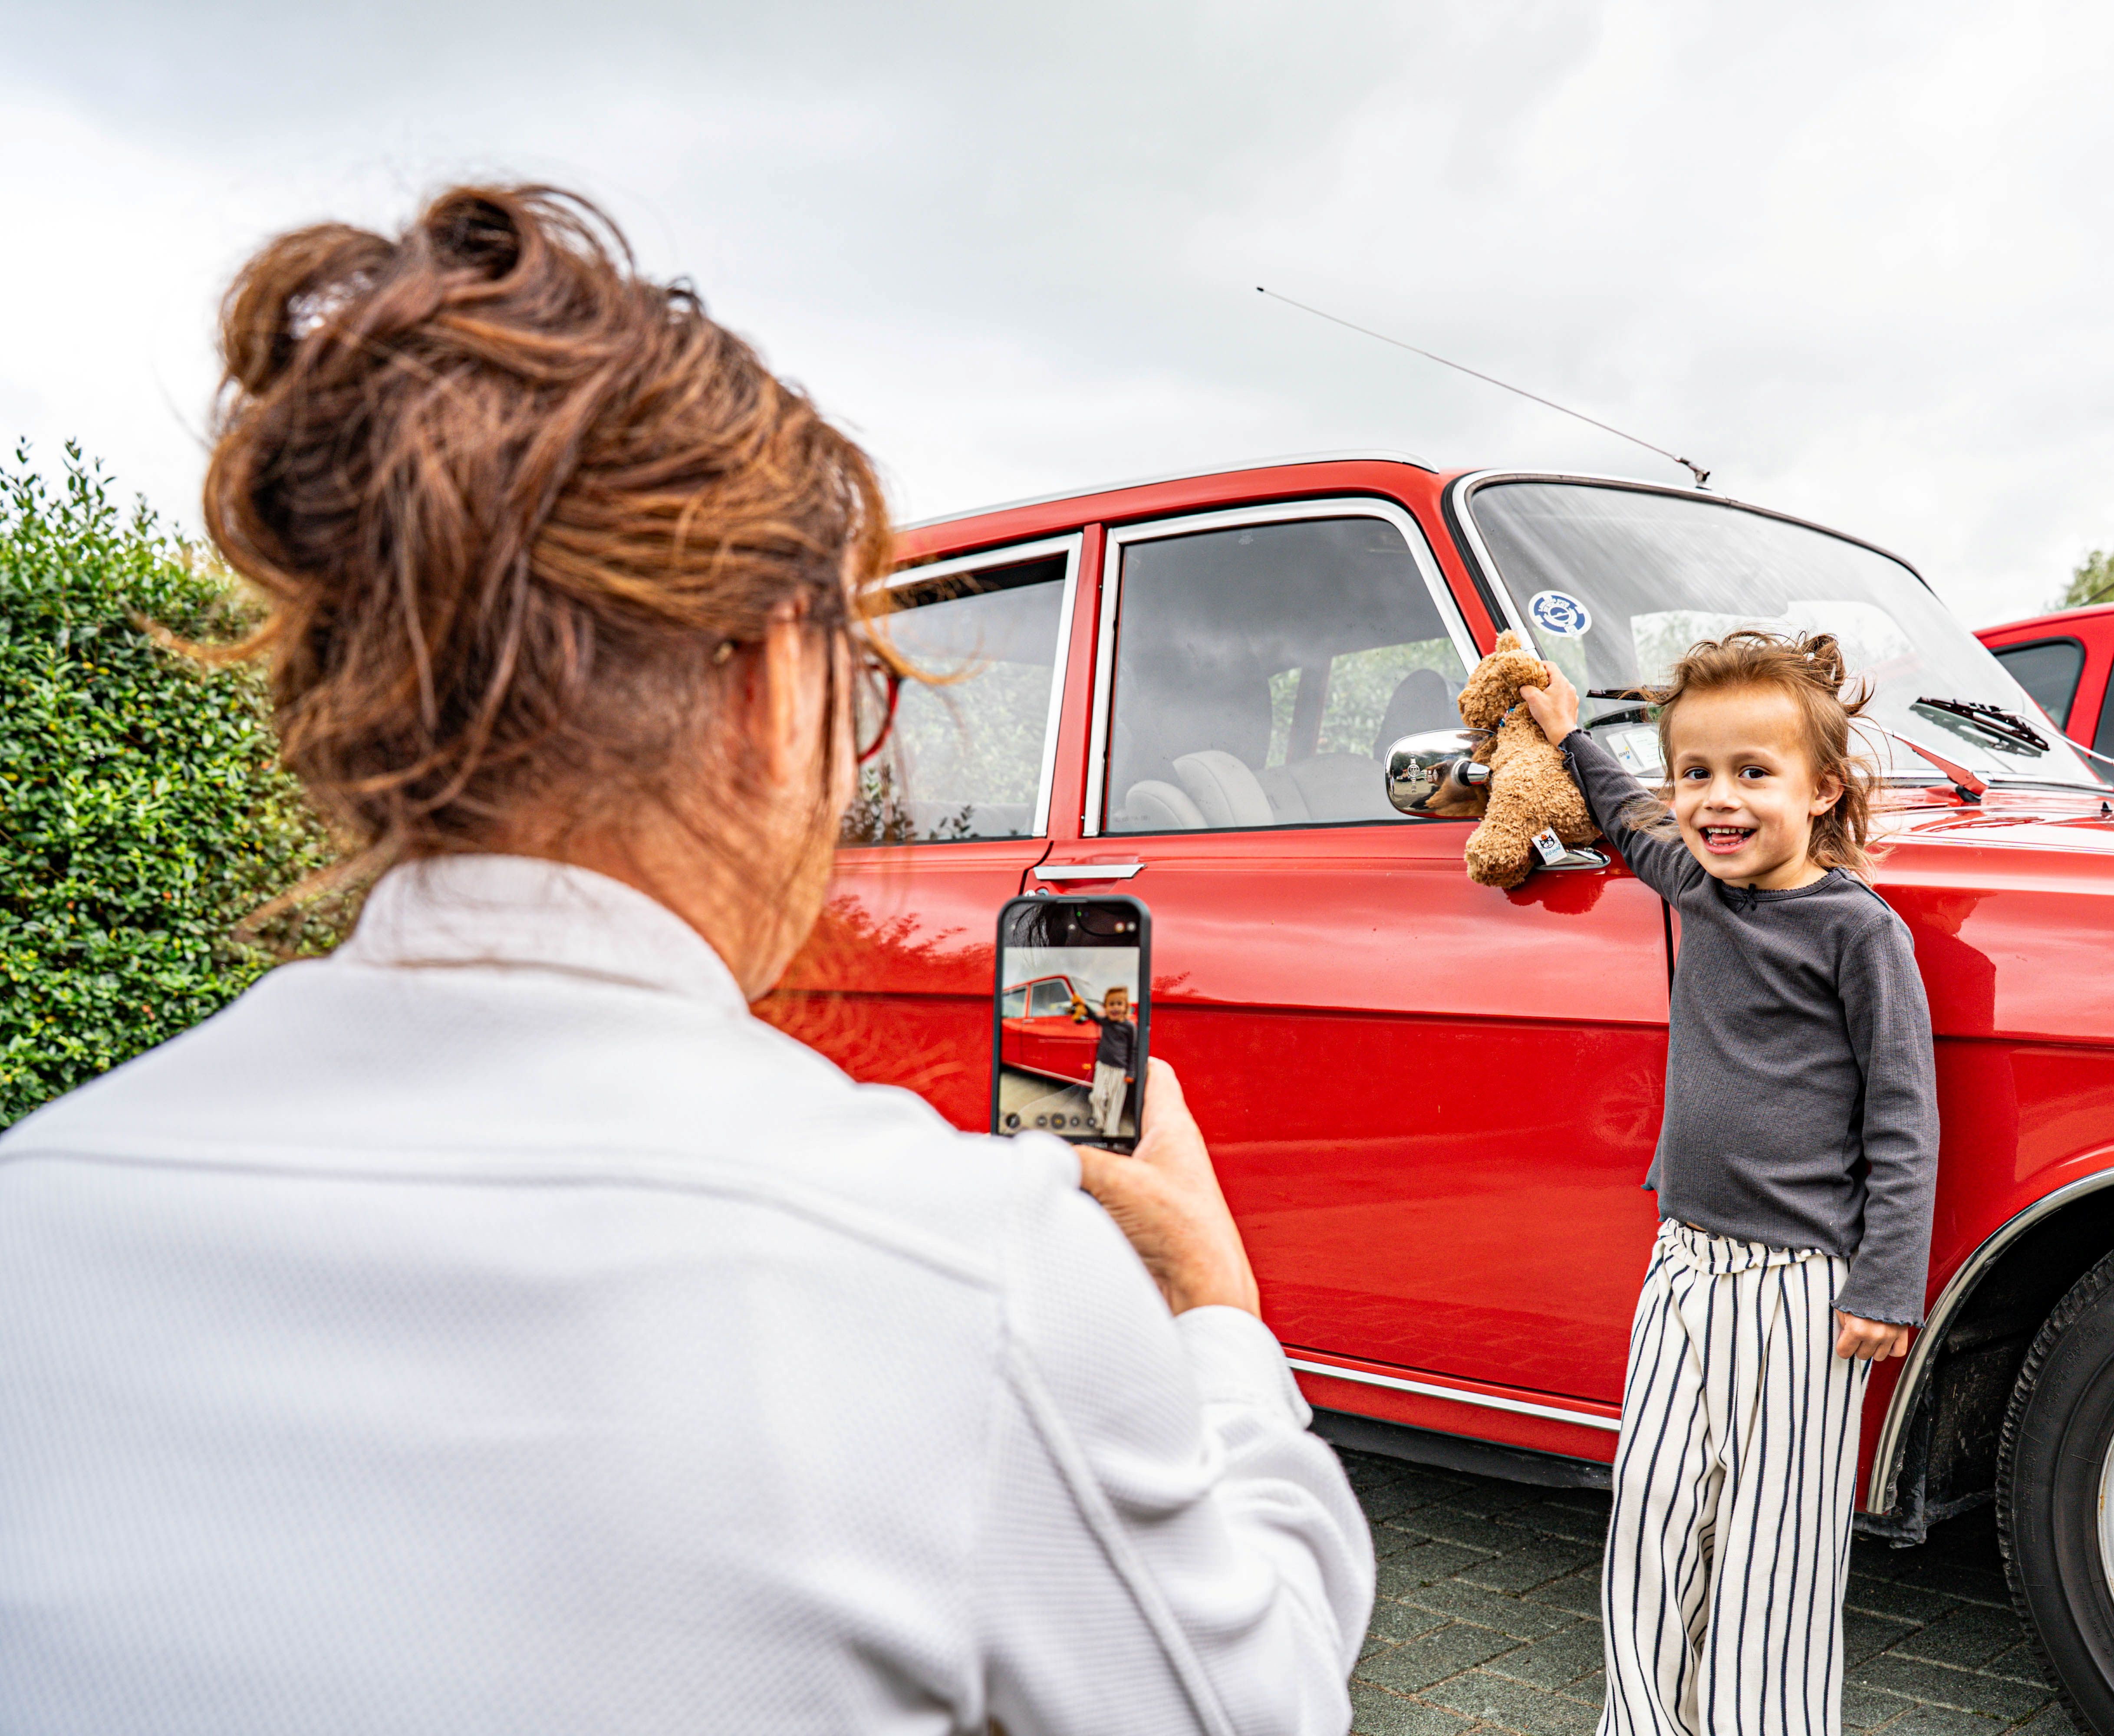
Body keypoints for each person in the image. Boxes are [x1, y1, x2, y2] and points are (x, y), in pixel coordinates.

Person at [0, 186, 1370, 1734]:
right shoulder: (976, 1282)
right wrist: (1214, 1309)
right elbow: (1260, 1705)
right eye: (863, 692)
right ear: (780, 683)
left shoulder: (38, 1206)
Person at [1521, 633, 1938, 1736]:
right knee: (1652, 1507)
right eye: (1695, 772)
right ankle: (1643, 1721)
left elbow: (1903, 1116)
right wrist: (1569, 733)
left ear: (1822, 789)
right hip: (1683, 1264)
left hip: (1805, 1289)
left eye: (1754, 772)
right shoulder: (1697, 887)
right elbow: (1626, 817)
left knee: (1774, 1544)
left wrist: (1887, 1283)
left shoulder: (1860, 931)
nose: (1718, 798)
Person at [1072, 985, 1139, 1137]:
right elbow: (1092, 1014)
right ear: (1106, 1007)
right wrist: (1082, 1004)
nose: (1115, 1007)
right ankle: (1100, 1122)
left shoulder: (1130, 1027)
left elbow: (1134, 1051)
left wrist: (1131, 1072)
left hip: (1120, 1071)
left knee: (1115, 1104)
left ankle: (1111, 1132)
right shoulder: (1106, 1022)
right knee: (1097, 1097)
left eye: (1119, 1004)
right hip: (1102, 1067)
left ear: (1126, 1007)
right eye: (1111, 1004)